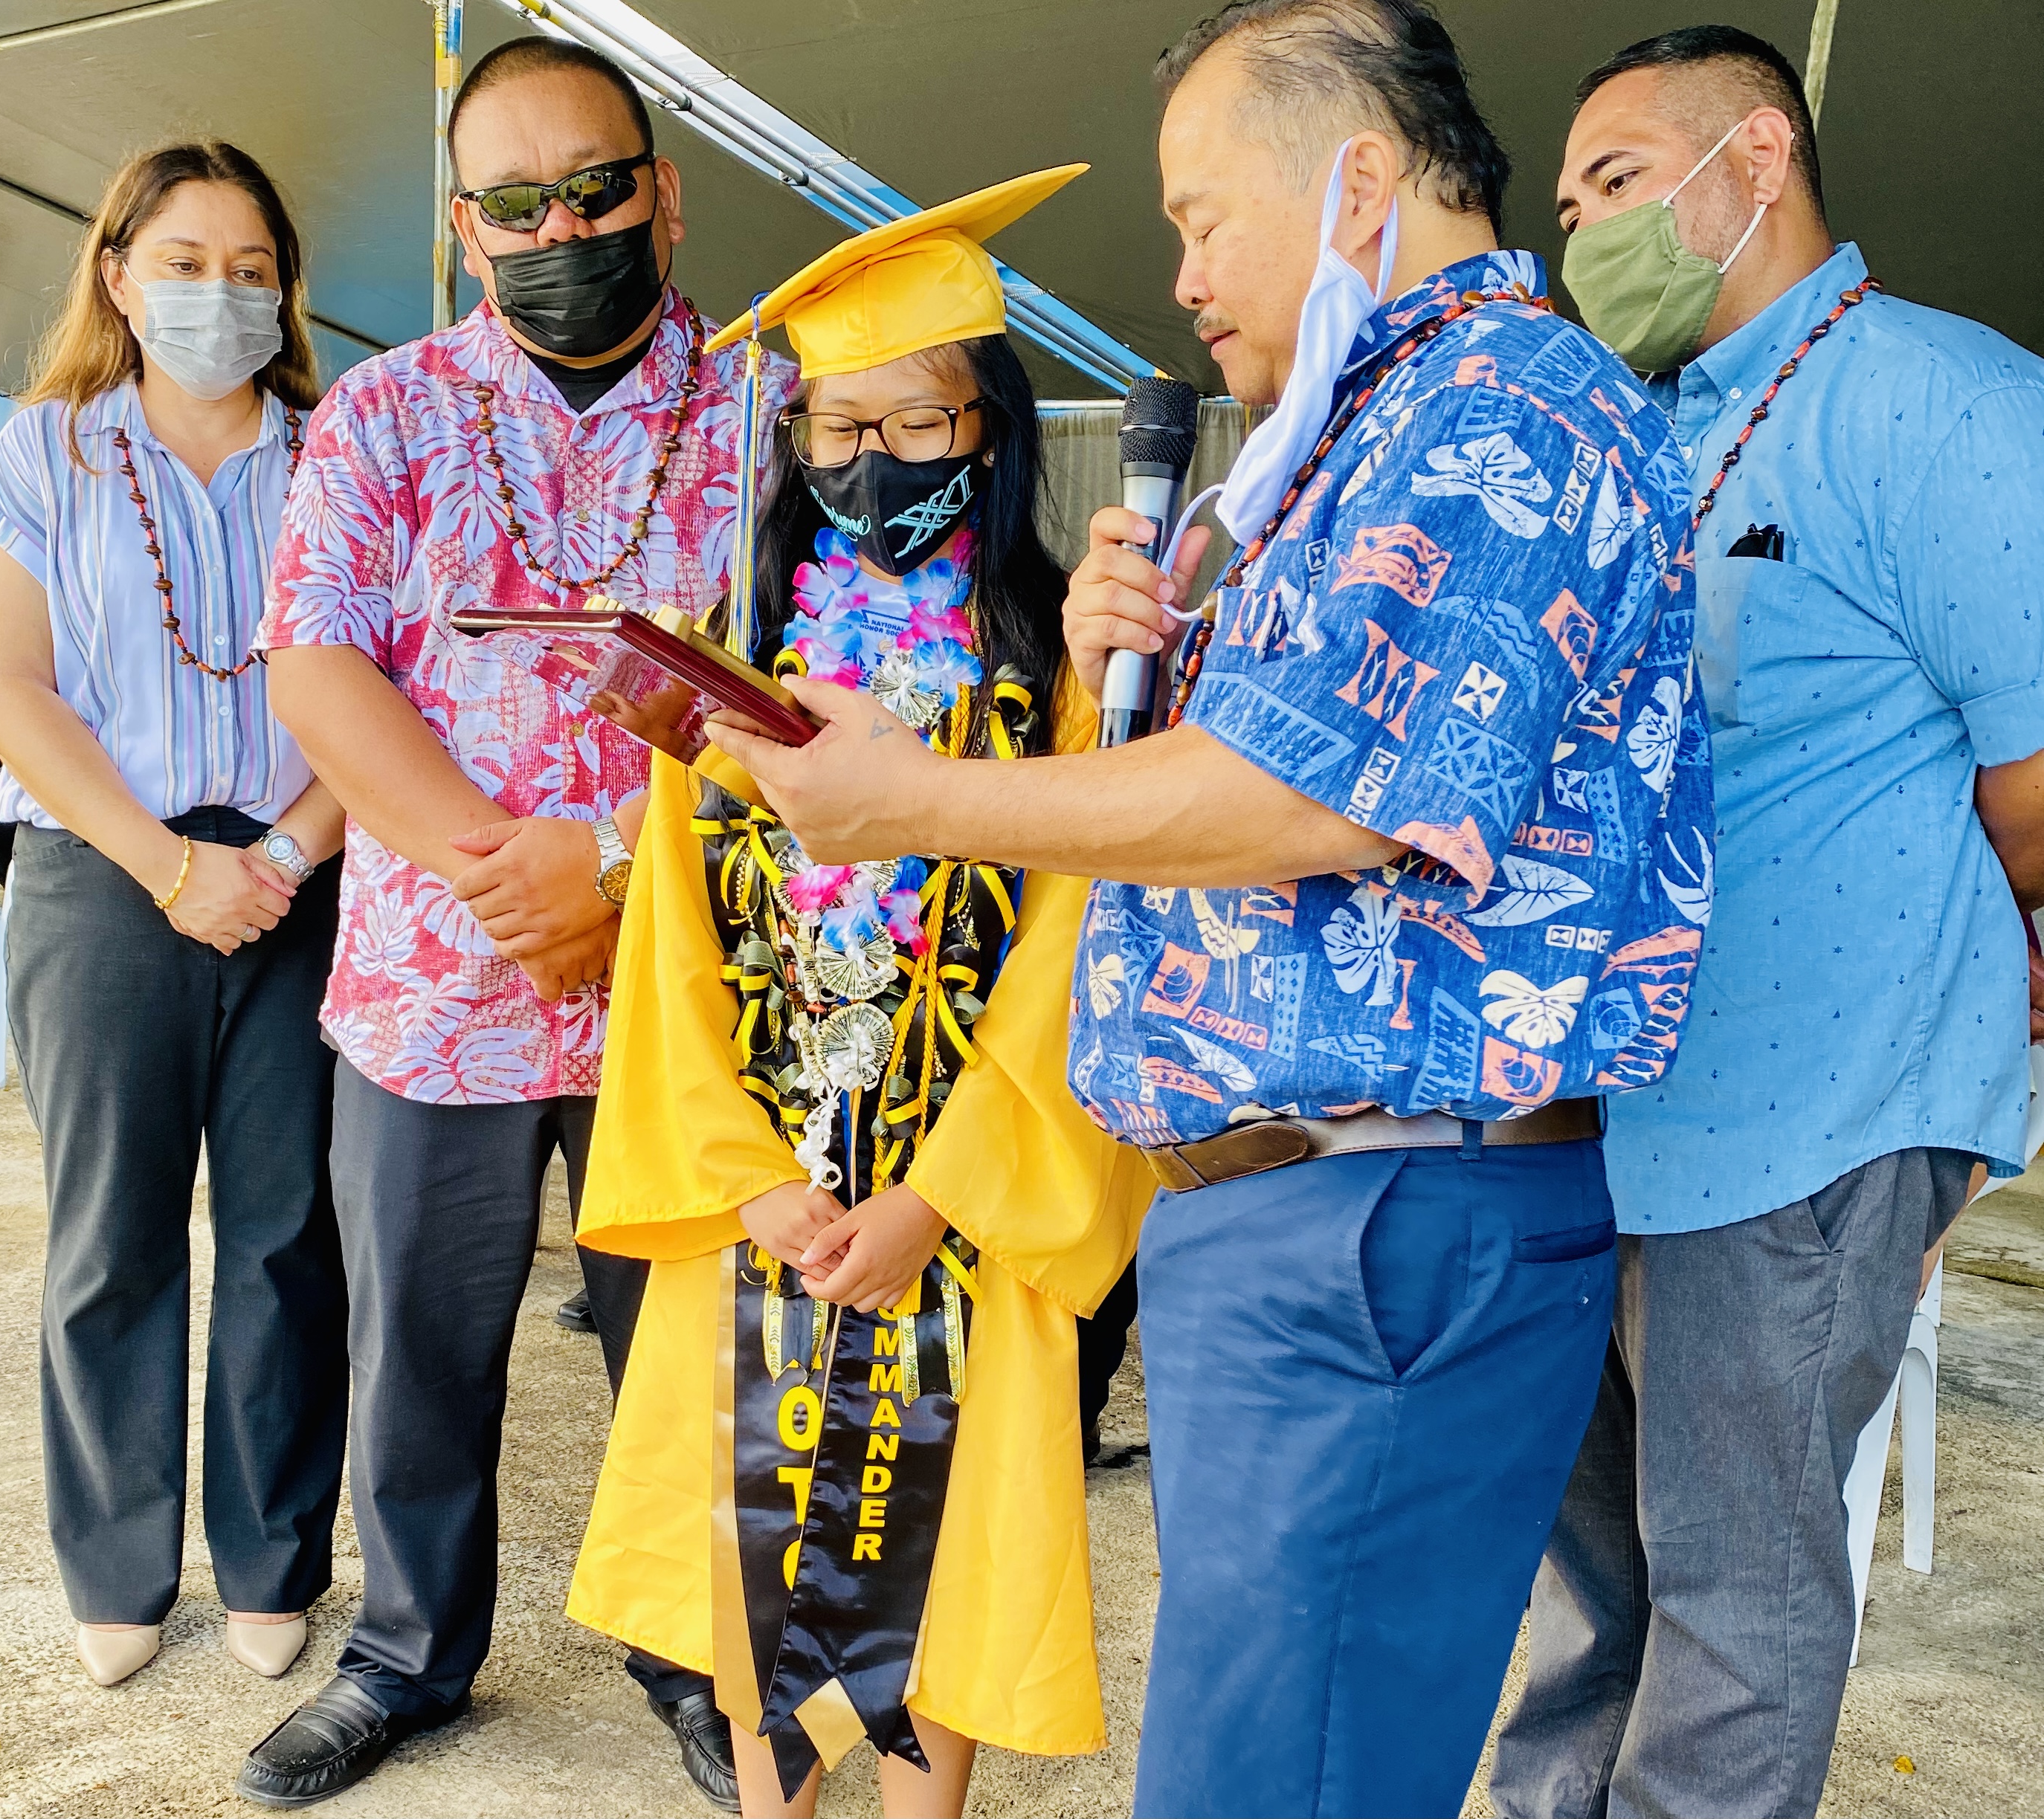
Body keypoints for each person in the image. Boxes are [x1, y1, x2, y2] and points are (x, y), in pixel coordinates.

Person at [703, 4, 1715, 1812]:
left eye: (1200, 215)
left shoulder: (1503, 409)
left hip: (1382, 1210)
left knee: (1282, 1781)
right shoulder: (1362, 430)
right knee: (1267, 1757)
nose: (1179, 276)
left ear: (1361, 177)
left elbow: (1308, 804)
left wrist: (917, 803)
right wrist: (1133, 679)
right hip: (1313, 1217)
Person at [1488, 28, 2044, 1819]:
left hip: (1808, 1121)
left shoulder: (1941, 401)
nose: (1584, 238)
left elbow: (2036, 785)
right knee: (1604, 1594)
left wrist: (1959, 1081)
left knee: (1737, 1600)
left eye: (1622, 185)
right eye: (1566, 209)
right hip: (1596, 1112)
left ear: (1762, 150)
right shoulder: (1633, 427)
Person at [564, 167, 1152, 1819]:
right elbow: (669, 939)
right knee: (745, 1527)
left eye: (917, 426)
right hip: (761, 1204)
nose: (869, 463)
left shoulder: (1059, 686)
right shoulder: (730, 664)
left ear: (992, 432)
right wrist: (749, 1182)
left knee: (950, 1560)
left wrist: (935, 1197)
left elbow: (1075, 948)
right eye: (835, 430)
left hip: (962, 1206)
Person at [239, 37, 785, 1810]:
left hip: (690, 989)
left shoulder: (779, 415)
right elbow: (320, 669)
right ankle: (406, 1656)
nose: (568, 227)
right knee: (418, 1351)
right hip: (437, 990)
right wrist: (509, 868)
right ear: (467, 228)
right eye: (520, 202)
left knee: (694, 1353)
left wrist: (621, 875)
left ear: (666, 190)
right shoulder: (383, 416)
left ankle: (704, 1660)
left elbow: (817, 690)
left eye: (600, 188)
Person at [0, 142, 347, 1690]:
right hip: (101, 883)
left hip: (298, 879)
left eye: (251, 267)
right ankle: (118, 1565)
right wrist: (171, 866)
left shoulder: (338, 452)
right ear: (116, 274)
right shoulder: (44, 451)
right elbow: (5, 685)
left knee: (283, 1238)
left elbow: (374, 688)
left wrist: (285, 857)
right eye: (182, 262)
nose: (218, 293)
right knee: (110, 1242)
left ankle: (271, 1560)